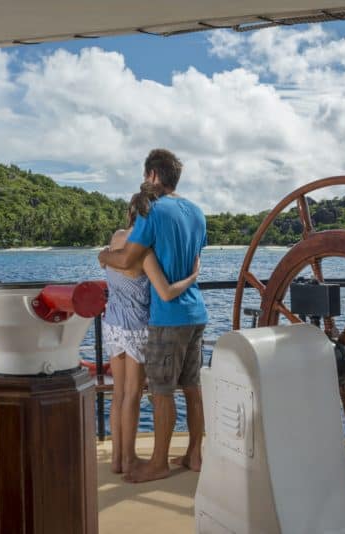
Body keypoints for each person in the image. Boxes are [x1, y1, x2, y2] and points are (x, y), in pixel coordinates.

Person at [99, 148, 208, 483]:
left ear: (153, 176)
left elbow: (128, 257)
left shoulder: (152, 210)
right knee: (192, 388)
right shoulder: (197, 212)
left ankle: (158, 462)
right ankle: (195, 455)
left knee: (161, 392)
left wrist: (103, 254)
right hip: (196, 312)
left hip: (168, 317)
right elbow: (191, 258)